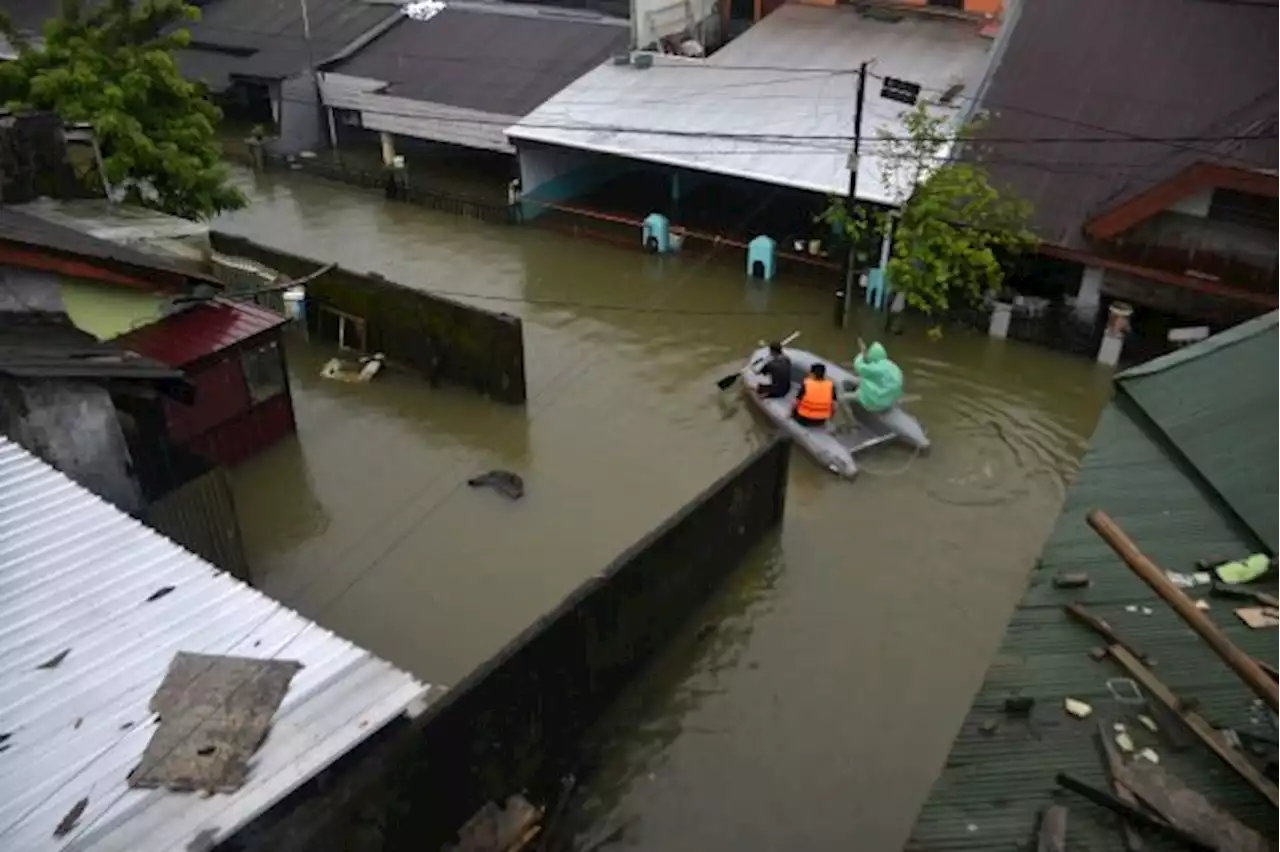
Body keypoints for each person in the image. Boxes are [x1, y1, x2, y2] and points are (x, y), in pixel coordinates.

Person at [848, 338, 904, 413]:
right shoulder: (893, 366)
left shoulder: (873, 368)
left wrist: (862, 354)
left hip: (875, 403)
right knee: (863, 380)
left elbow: (858, 365)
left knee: (842, 398)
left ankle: (851, 420)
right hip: (890, 400)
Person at [793, 362, 835, 428]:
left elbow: (797, 401)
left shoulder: (807, 383)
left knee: (796, 408)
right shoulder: (830, 385)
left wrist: (791, 413)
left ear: (812, 373)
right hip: (822, 419)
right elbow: (833, 403)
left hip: (805, 419)